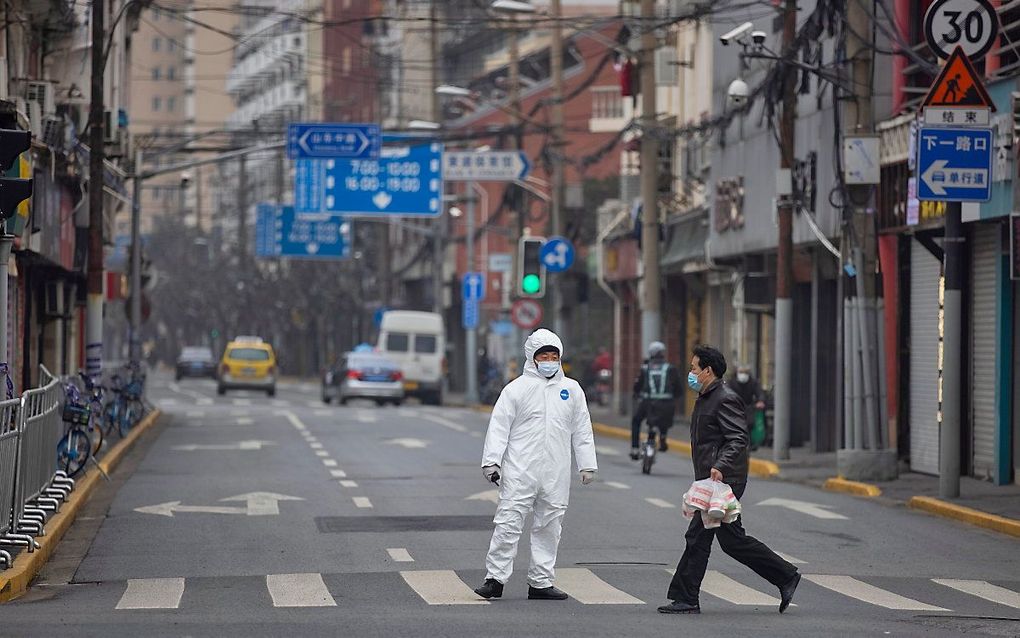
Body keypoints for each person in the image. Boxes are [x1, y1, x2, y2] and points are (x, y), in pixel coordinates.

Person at [658, 345, 800, 615]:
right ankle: (785, 576)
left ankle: (687, 598)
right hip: (712, 478)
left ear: (707, 371)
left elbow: (738, 438)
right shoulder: (707, 396)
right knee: (732, 541)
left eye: (694, 368)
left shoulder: (724, 398)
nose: (691, 373)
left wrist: (720, 466)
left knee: (697, 537)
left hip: (724, 480)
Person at [475, 328, 598, 601]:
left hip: (556, 470)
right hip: (521, 470)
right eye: (544, 355)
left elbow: (582, 429)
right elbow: (499, 427)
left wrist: (587, 464)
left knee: (550, 525)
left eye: (554, 355)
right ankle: (494, 579)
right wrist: (492, 462)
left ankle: (541, 582)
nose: (550, 360)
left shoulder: (571, 390)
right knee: (508, 522)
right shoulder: (516, 389)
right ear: (532, 357)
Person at [629, 341, 682, 460]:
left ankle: (635, 448)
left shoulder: (645, 368)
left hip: (648, 403)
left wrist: (636, 394)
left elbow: (637, 386)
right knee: (665, 417)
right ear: (663, 353)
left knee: (636, 420)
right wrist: (674, 398)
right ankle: (663, 436)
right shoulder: (670, 368)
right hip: (666, 403)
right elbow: (678, 388)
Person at [730, 364, 766, 449]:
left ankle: (750, 443)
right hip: (735, 407)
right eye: (741, 372)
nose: (743, 375)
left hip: (749, 407)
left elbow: (759, 393)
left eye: (745, 373)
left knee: (750, 423)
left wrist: (761, 401)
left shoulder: (753, 382)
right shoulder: (732, 382)